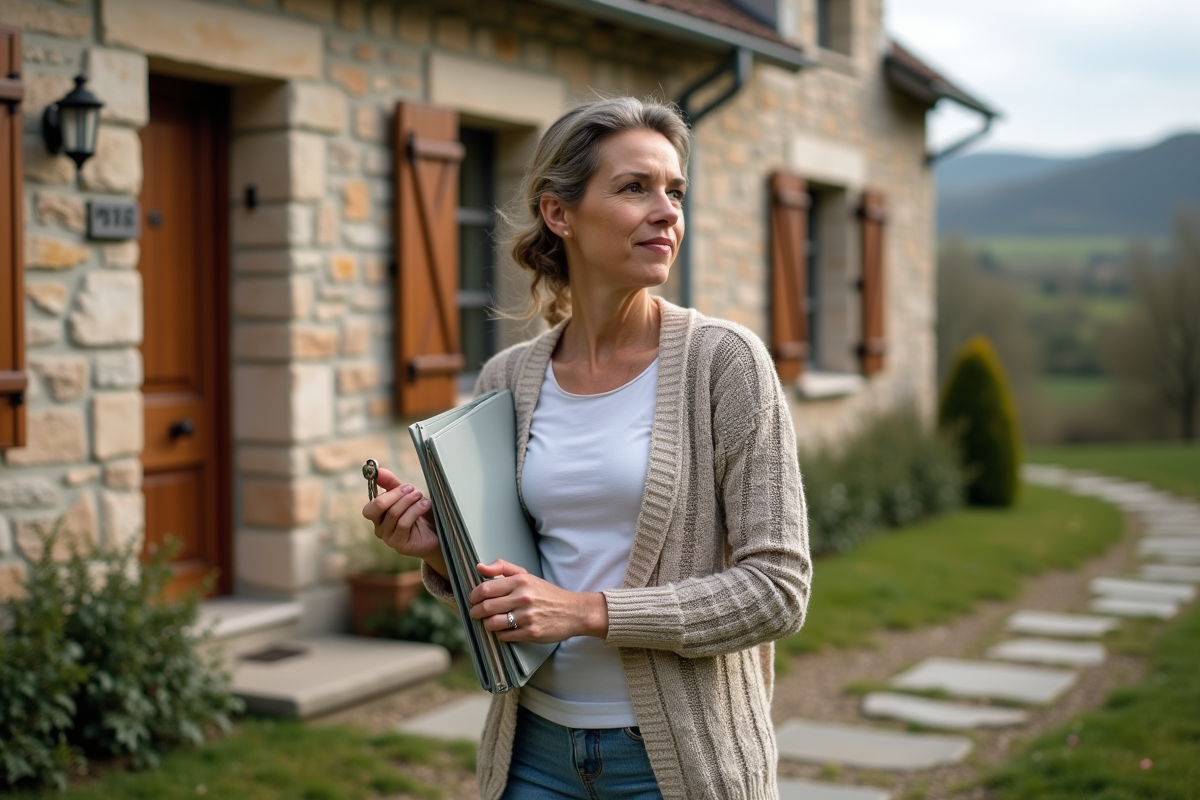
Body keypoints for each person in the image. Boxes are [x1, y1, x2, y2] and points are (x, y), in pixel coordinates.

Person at [364, 96, 811, 800]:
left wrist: (588, 612)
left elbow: (777, 592)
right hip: (531, 753)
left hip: (678, 766)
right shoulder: (507, 378)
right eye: (635, 187)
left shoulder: (726, 364)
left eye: (675, 190)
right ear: (559, 213)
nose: (666, 210)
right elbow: (520, 587)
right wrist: (440, 553)